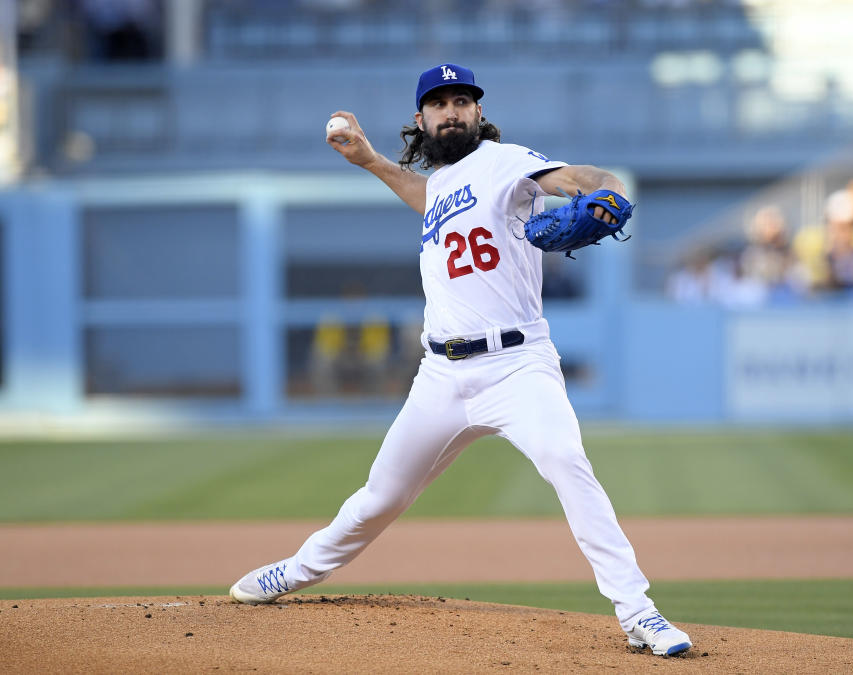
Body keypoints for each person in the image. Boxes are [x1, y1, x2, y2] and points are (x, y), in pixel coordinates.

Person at [229, 63, 693, 657]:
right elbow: (425, 196)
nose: (452, 111)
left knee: (566, 460)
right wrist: (370, 159)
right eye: (439, 103)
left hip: (517, 365)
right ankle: (295, 571)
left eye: (462, 101)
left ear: (478, 113)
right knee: (379, 499)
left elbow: (581, 176)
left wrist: (608, 191)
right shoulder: (444, 185)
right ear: (422, 119)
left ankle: (640, 613)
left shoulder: (504, 160)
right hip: (441, 377)